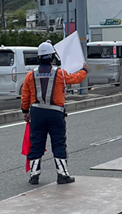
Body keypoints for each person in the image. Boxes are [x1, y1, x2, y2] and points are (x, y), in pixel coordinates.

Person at [21, 41, 89, 185]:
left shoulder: (30, 76)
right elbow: (76, 78)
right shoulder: (60, 74)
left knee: (36, 142)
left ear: (38, 58)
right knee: (58, 143)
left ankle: (34, 175)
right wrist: (84, 70)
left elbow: (25, 95)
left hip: (37, 112)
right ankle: (62, 174)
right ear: (52, 57)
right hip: (55, 113)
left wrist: (25, 111)